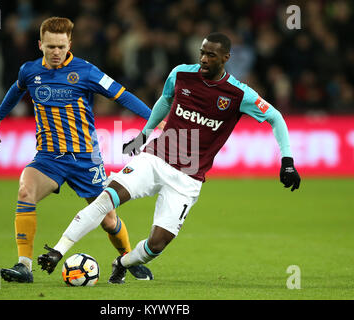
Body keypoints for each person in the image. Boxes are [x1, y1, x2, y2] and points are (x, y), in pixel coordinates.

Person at [37, 32, 301, 284]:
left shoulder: (238, 94)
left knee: (157, 244)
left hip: (188, 178)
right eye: (202, 53)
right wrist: (143, 136)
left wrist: (287, 161)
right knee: (107, 198)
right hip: (155, 159)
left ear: (226, 58)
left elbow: (275, 117)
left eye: (211, 55)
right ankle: (58, 251)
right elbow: (164, 101)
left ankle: (123, 263)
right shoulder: (181, 74)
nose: (204, 59)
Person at [0, 17, 155, 283]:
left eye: (61, 46)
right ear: (40, 44)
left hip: (85, 159)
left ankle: (127, 258)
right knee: (25, 191)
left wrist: (155, 120)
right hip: (48, 158)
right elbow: (16, 91)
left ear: (69, 44)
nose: (56, 52)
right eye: (50, 46)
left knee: (108, 220)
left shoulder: (86, 72)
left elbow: (123, 95)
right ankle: (24, 267)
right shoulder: (29, 71)